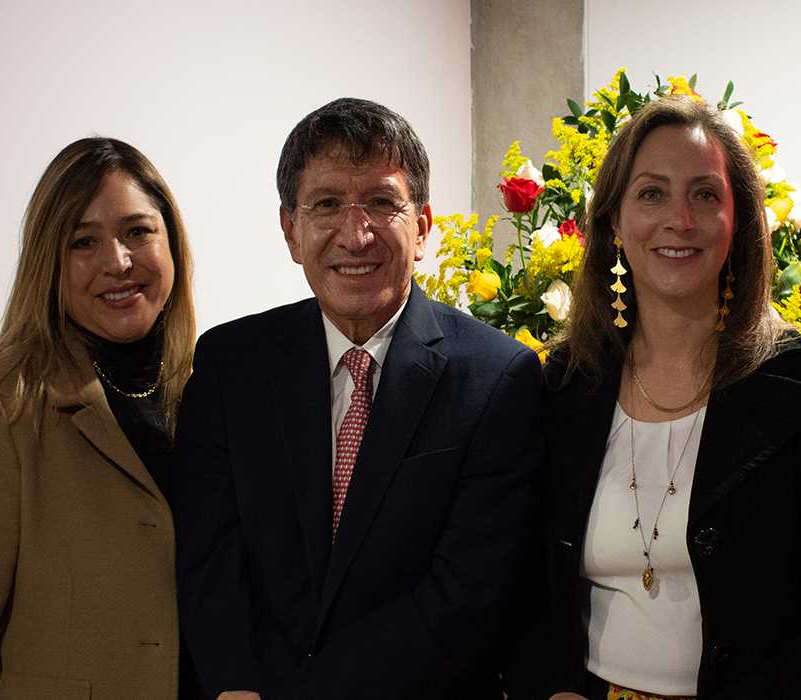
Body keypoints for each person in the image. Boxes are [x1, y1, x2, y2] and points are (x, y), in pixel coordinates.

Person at [503, 97, 801, 700]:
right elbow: (520, 591)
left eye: (706, 194)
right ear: (614, 222)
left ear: (739, 221)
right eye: (651, 193)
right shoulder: (564, 384)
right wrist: (552, 689)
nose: (680, 218)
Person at [172, 97, 543, 699]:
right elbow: (208, 558)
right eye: (325, 205)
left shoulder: (498, 378)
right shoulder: (229, 365)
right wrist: (240, 684)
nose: (356, 232)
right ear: (290, 230)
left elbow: (464, 596)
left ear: (422, 228)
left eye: (381, 202)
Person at [0, 137, 197, 698]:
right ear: (48, 262)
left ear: (171, 241)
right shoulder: (8, 402)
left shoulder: (211, 392)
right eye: (84, 241)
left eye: (138, 231)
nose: (118, 262)